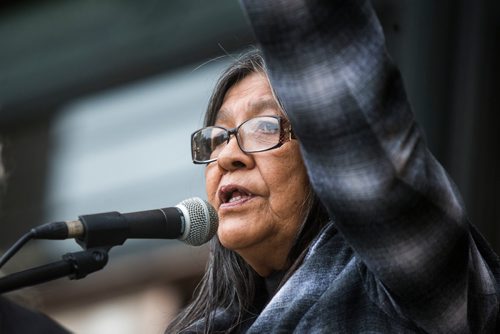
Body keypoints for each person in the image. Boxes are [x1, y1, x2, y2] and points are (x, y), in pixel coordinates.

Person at [167, 0, 500, 333]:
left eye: (264, 127)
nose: (227, 157)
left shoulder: (394, 283)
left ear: (325, 152)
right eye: (218, 137)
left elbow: (338, 96)